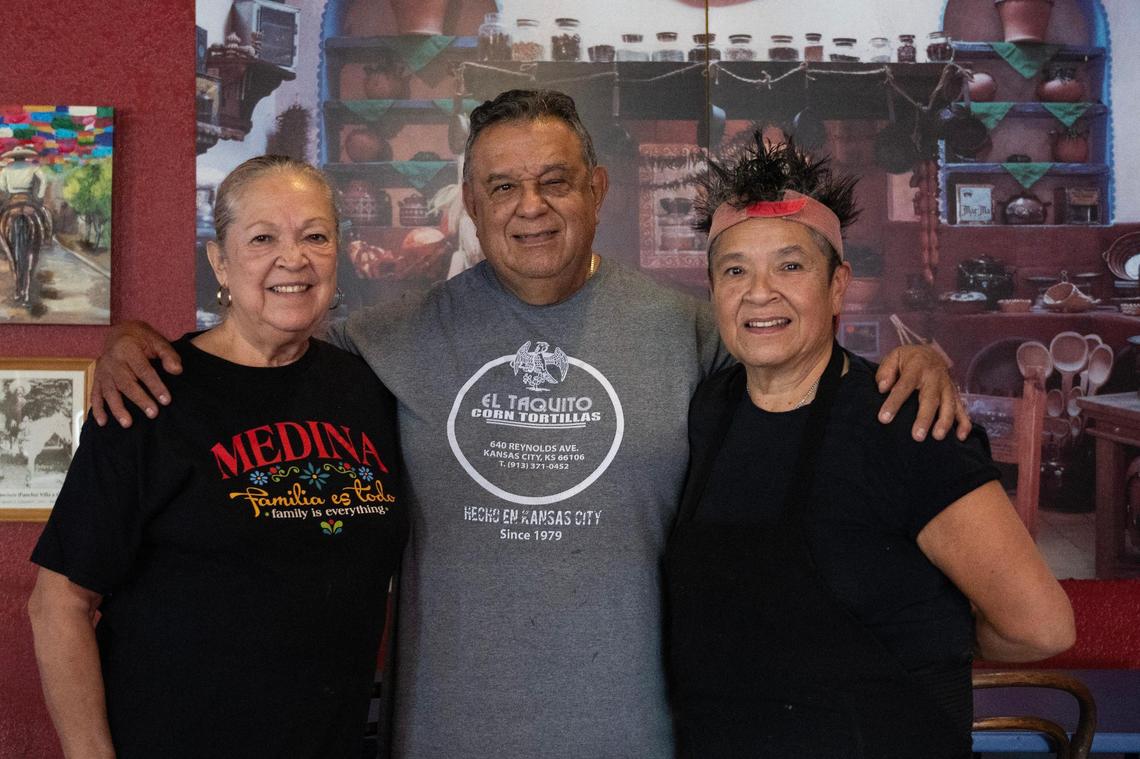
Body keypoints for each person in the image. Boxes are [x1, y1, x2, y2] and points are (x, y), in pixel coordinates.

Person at [87, 91, 966, 758]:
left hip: (639, 732)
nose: (530, 206)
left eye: (554, 180)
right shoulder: (387, 337)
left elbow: (804, 362)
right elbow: (256, 352)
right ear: (470, 202)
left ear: (597, 187)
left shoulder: (692, 330)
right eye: (502, 185)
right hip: (442, 735)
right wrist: (136, 343)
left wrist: (917, 358)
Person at [664, 134, 1075, 759]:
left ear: (837, 287)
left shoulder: (905, 422)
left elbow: (1039, 626)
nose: (759, 291)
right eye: (735, 269)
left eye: (791, 265)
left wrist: (922, 647)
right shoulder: (703, 412)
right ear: (714, 291)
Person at [27, 155, 408, 758]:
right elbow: (59, 604)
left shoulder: (370, 391)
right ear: (220, 262)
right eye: (263, 238)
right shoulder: (150, 395)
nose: (294, 258)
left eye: (316, 236)